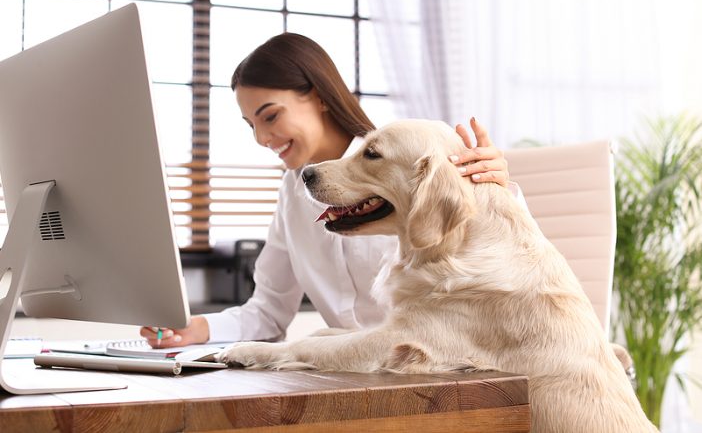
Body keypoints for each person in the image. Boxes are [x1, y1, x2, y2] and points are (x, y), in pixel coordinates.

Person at [140, 33, 514, 347]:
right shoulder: (293, 190)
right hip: (346, 375)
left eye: (270, 116)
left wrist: (497, 188)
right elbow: (268, 311)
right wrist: (196, 329)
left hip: (428, 369)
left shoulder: (409, 160)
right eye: (250, 125)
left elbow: (501, 265)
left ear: (319, 96)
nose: (261, 138)